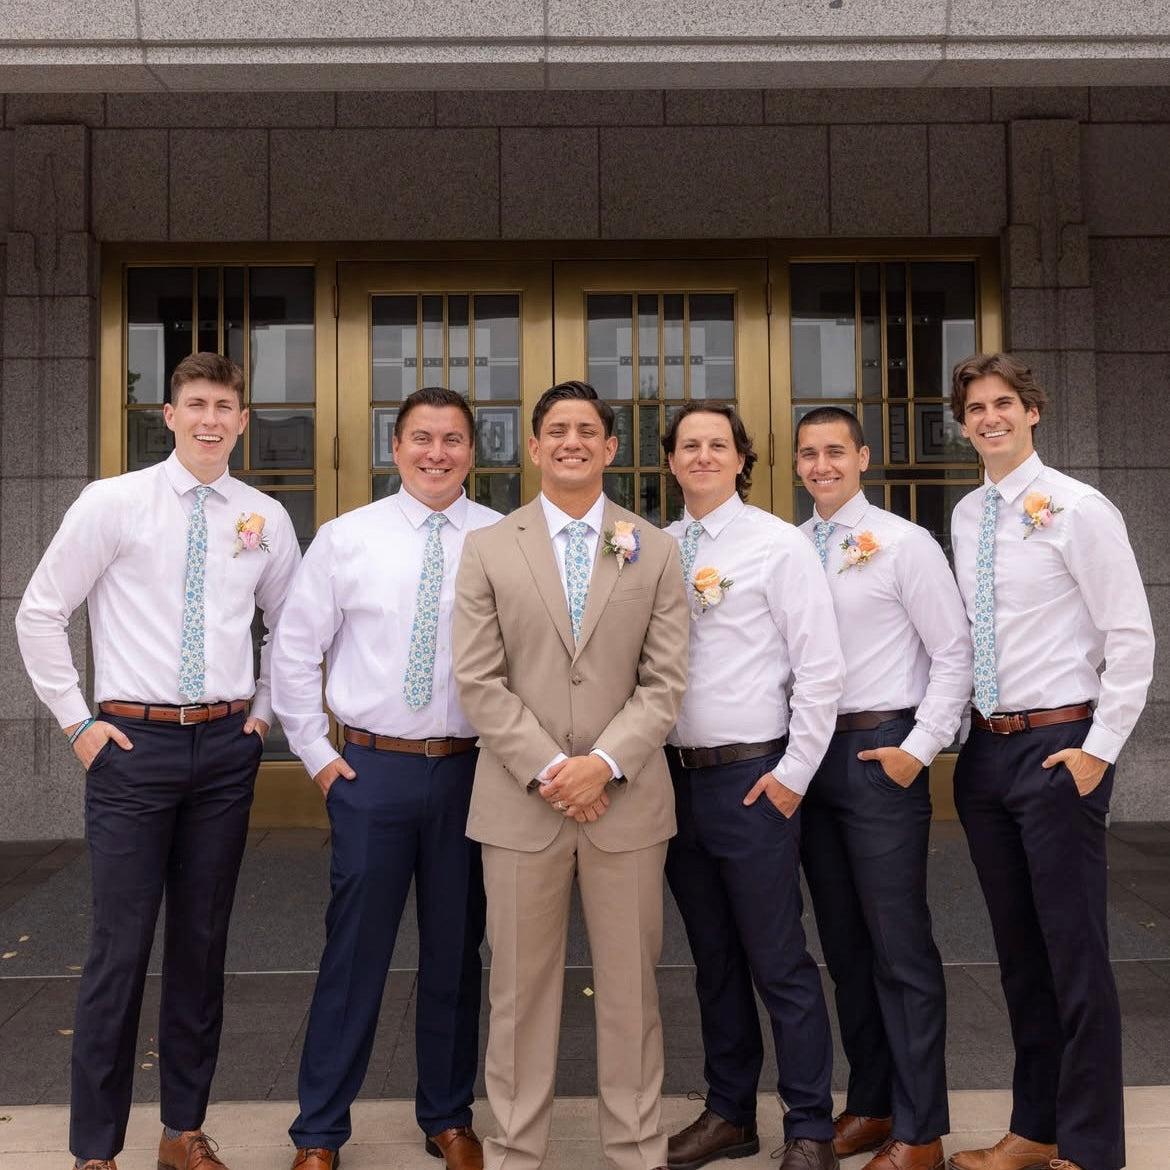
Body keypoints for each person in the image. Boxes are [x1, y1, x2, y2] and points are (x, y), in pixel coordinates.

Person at [15, 352, 300, 1170]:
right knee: (119, 945)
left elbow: (293, 628)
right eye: (196, 404)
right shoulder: (114, 503)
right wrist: (78, 725)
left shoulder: (265, 518)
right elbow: (39, 613)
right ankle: (95, 1150)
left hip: (224, 750)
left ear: (244, 420)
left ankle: (183, 1130)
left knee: (203, 944)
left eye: (226, 406)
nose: (211, 419)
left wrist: (264, 716)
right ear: (169, 416)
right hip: (131, 749)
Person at [453, 380, 690, 1170]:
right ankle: (516, 1151)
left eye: (588, 430)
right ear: (533, 446)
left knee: (632, 995)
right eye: (557, 430)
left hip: (627, 804)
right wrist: (557, 770)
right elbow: (479, 681)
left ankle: (636, 1151)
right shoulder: (489, 546)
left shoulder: (653, 547)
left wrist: (605, 766)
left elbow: (664, 683)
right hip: (522, 805)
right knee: (518, 997)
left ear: (611, 447)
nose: (572, 442)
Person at [271, 387, 501, 1170]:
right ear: (394, 447)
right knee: (354, 955)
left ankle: (447, 1115)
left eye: (453, 440)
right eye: (421, 438)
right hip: (371, 771)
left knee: (455, 953)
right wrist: (319, 757)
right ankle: (319, 1132)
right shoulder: (346, 538)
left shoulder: (505, 539)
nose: (437, 453)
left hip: (472, 773)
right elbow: (295, 651)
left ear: (475, 450)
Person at [945, 353, 1154, 1170]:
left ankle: (1093, 1148)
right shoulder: (965, 517)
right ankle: (1035, 1129)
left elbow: (1131, 638)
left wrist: (1097, 752)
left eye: (1004, 403)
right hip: (987, 755)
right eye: (975, 408)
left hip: (1060, 747)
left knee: (1073, 954)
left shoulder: (1078, 506)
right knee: (1019, 958)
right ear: (961, 425)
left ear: (1032, 413)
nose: (990, 417)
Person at [661, 401, 844, 1170]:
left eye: (718, 445)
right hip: (674, 783)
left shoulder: (777, 546)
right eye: (688, 445)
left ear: (742, 458)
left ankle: (810, 1125)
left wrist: (791, 777)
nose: (703, 455)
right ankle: (729, 1112)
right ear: (669, 459)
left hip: (753, 778)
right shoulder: (653, 549)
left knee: (779, 958)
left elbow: (821, 669)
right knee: (714, 959)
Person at [795, 406, 972, 1170]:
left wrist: (919, 749)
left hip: (881, 750)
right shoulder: (791, 547)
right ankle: (870, 1105)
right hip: (809, 757)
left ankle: (922, 1129)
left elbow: (955, 653)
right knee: (844, 946)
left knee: (900, 948)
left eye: (836, 450)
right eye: (809, 453)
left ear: (863, 456)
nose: (822, 464)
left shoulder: (905, 544)